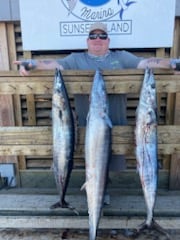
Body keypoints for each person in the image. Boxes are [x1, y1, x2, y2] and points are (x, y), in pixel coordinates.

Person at [14, 22, 180, 204]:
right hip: (88, 127)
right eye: (93, 36)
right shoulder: (75, 60)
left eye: (102, 36)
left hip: (116, 123)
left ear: (108, 40)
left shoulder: (122, 57)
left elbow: (147, 62)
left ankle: (103, 192)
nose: (97, 39)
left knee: (109, 162)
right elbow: (53, 64)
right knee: (92, 161)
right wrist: (31, 64)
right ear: (87, 40)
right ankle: (94, 196)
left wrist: (172, 63)